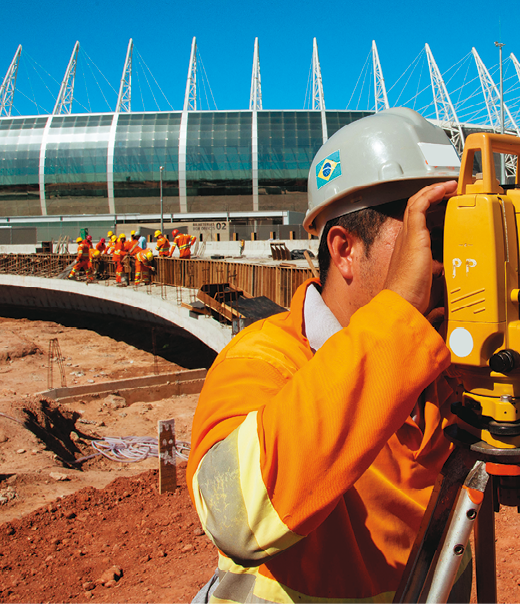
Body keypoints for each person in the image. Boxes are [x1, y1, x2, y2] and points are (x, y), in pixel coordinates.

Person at [186, 108, 469, 604]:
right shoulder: (261, 360)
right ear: (345, 251)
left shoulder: (442, 367)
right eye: (431, 233)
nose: (446, 261)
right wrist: (399, 313)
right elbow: (234, 517)